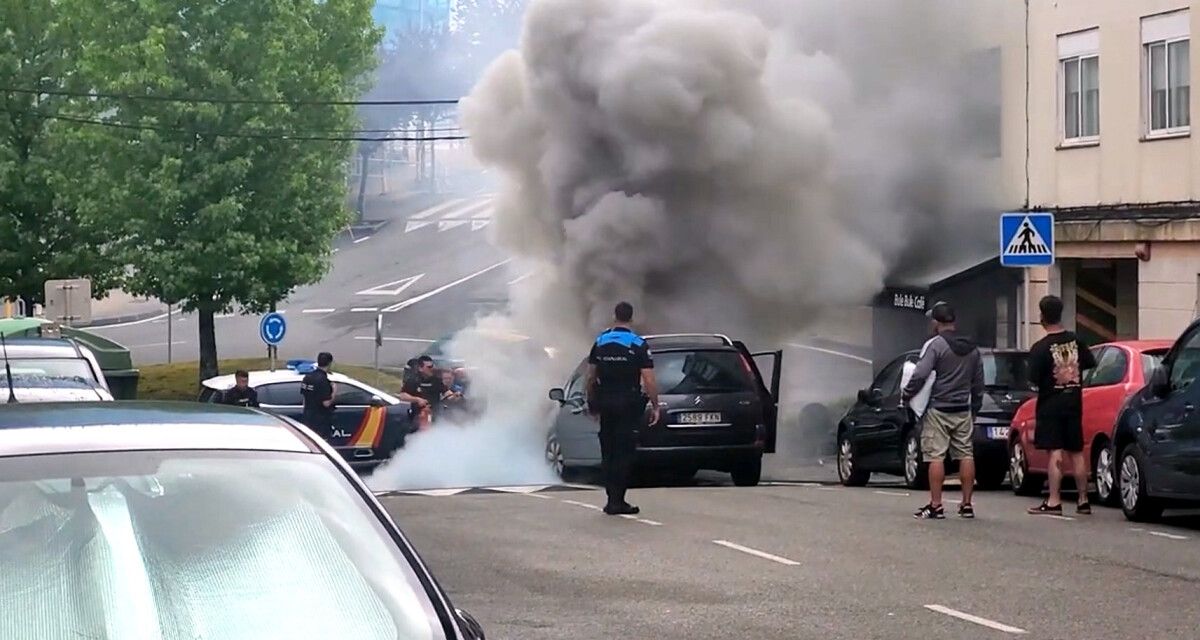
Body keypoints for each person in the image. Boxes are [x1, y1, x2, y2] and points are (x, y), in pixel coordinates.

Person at [903, 301, 985, 520]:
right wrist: (974, 408)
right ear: (954, 321)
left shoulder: (936, 345)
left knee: (935, 456)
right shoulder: (972, 349)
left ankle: (936, 505)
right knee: (966, 454)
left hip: (939, 408)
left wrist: (908, 394)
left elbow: (920, 374)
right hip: (963, 409)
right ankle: (967, 504)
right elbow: (978, 383)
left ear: (936, 323)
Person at [585, 301, 659, 516]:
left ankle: (611, 500)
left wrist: (592, 402)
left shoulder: (600, 341)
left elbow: (591, 376)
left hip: (606, 402)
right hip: (628, 403)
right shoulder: (637, 343)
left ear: (614, 317)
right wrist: (655, 405)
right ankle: (619, 500)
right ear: (631, 318)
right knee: (624, 452)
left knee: (608, 451)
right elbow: (649, 379)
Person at [1026, 295, 1097, 516]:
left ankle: (1054, 500)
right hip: (1074, 401)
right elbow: (1089, 362)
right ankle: (1083, 499)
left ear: (1042, 317)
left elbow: (1033, 379)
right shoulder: (1076, 341)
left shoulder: (1040, 348)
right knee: (1076, 451)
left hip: (1050, 404)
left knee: (1055, 451)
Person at [399, 355, 447, 423]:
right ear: (420, 368)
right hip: (418, 416)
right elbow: (402, 395)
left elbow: (446, 392)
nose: (432, 369)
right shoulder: (413, 380)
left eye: (432, 366)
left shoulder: (436, 380)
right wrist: (417, 399)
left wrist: (454, 395)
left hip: (435, 416)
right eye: (429, 367)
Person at [300, 352, 336, 439]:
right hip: (320, 422)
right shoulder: (323, 380)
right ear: (329, 363)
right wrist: (334, 390)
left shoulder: (307, 377)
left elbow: (304, 398)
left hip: (307, 419)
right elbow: (326, 403)